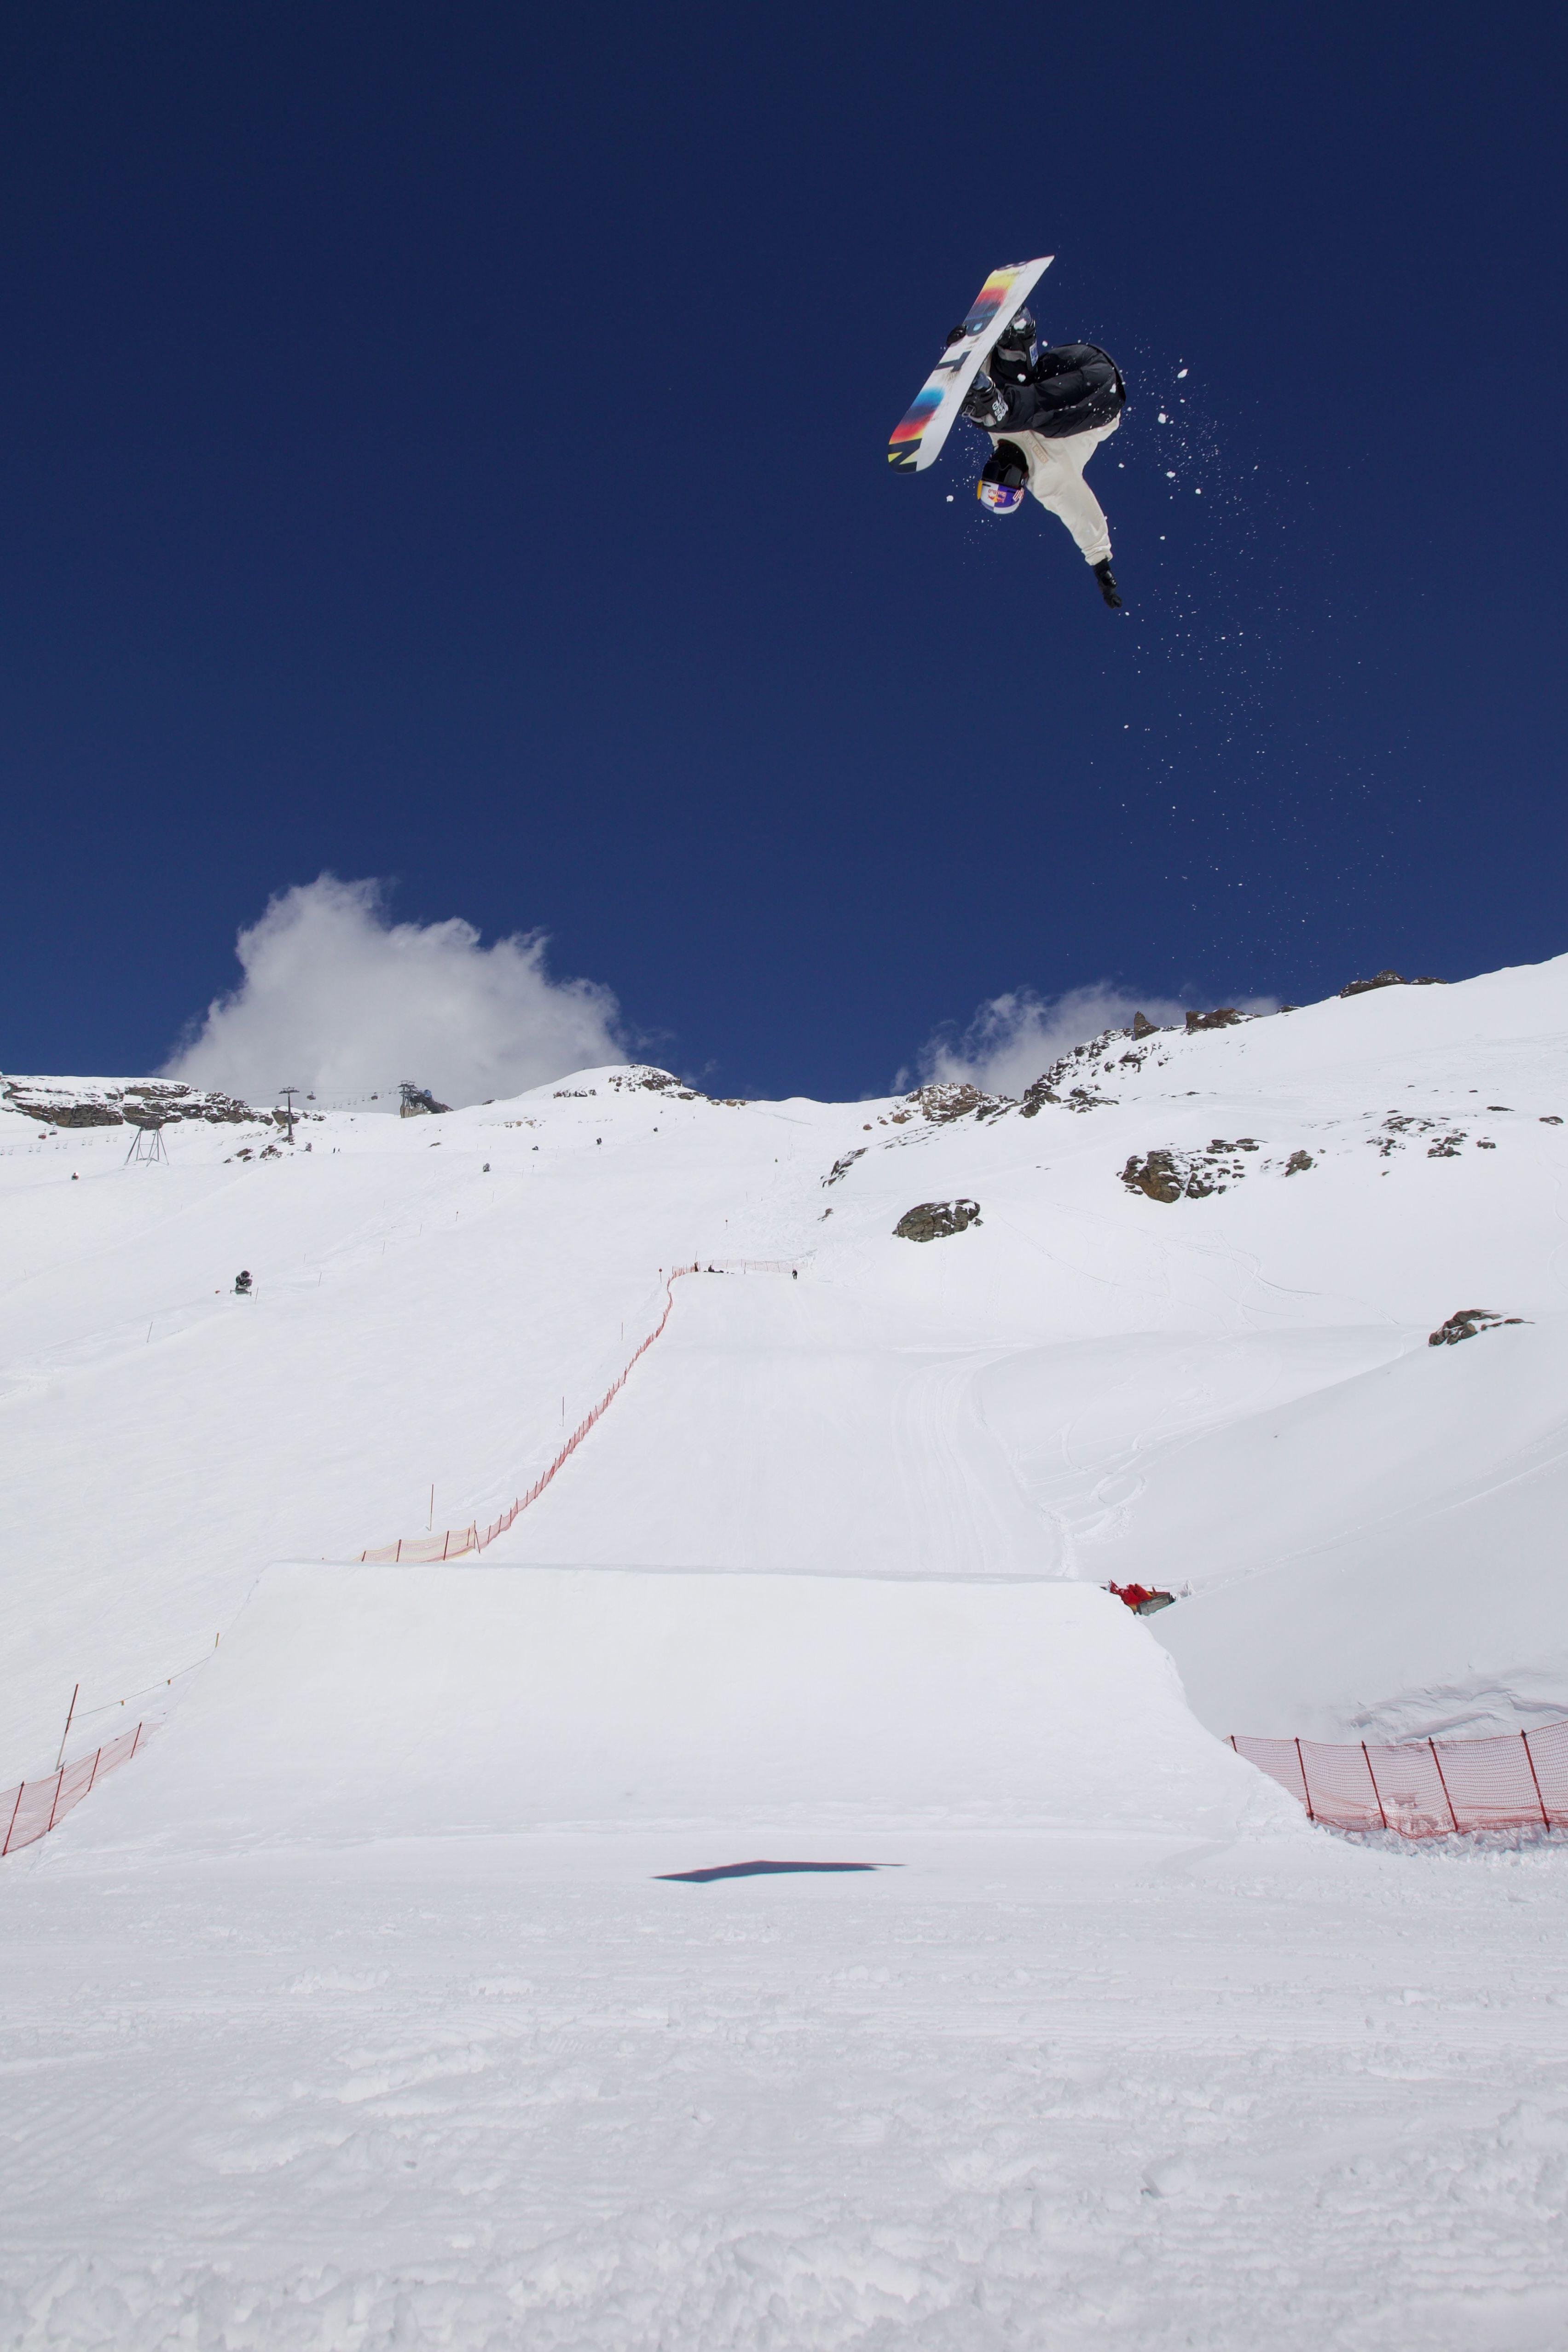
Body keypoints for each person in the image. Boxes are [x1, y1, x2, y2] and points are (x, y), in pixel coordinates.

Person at [952, 309, 1126, 607]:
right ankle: (1012, 359)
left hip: (1069, 364)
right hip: (1100, 398)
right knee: (1008, 416)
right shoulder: (1048, 484)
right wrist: (1101, 566)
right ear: (1020, 482)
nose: (1004, 463)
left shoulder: (996, 430)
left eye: (995, 468)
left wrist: (967, 355)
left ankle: (1017, 341)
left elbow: (986, 381)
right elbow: (1081, 518)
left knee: (1001, 405)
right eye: (1007, 475)